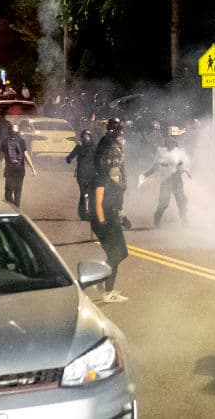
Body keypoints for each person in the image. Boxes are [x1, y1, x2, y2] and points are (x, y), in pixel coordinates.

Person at [92, 117, 130, 303]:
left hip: (114, 215)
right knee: (115, 254)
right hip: (105, 219)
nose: (115, 160)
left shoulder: (117, 180)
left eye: (117, 158)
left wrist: (122, 214)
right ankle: (107, 291)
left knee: (121, 253)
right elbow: (99, 203)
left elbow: (117, 199)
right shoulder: (102, 179)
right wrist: (102, 221)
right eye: (112, 158)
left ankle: (102, 281)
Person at [144, 137, 191, 227]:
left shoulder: (180, 153)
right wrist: (146, 174)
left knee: (181, 201)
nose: (170, 144)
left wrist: (183, 167)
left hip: (177, 180)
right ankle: (156, 219)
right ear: (166, 144)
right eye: (168, 142)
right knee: (164, 203)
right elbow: (156, 166)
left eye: (172, 142)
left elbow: (185, 165)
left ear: (175, 144)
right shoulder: (162, 153)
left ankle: (184, 220)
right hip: (166, 181)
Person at [0, 124, 37, 207]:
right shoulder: (21, 141)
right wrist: (33, 168)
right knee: (18, 191)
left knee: (8, 192)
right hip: (20, 170)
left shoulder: (5, 141)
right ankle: (17, 209)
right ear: (18, 132)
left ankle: (11, 208)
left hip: (9, 170)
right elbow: (26, 155)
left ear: (9, 132)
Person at [66, 129, 97, 220]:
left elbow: (100, 158)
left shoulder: (93, 147)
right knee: (85, 192)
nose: (85, 138)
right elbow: (70, 157)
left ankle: (87, 211)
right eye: (84, 136)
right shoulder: (80, 146)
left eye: (87, 136)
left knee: (88, 193)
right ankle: (86, 211)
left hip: (91, 173)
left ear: (90, 137)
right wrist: (69, 159)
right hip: (82, 173)